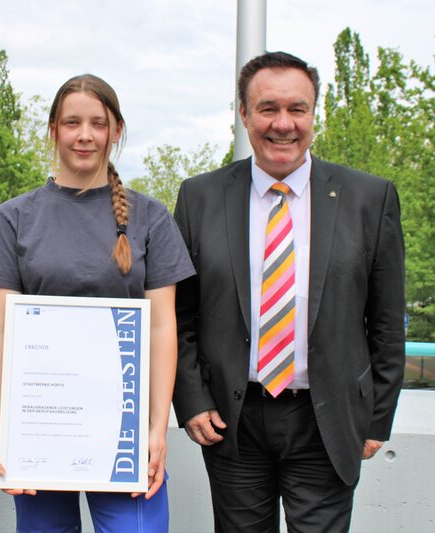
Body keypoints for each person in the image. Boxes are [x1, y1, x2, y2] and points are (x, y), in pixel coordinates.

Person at [173, 51, 405, 532]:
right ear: (243, 114)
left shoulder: (370, 198)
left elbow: (386, 320)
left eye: (297, 109)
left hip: (328, 422)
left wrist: (376, 417)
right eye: (268, 109)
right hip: (232, 423)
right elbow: (181, 316)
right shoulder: (199, 197)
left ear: (313, 113)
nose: (284, 124)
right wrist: (192, 400)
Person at [0, 74, 195, 532]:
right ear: (54, 129)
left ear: (116, 130)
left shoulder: (150, 217)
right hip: (40, 431)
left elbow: (161, 329)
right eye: (72, 122)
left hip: (126, 434)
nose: (85, 135)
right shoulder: (14, 218)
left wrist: (155, 430)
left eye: (98, 123)